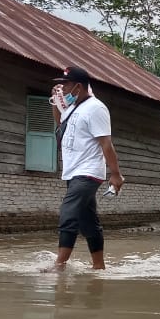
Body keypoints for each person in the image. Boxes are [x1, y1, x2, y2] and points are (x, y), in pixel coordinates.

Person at [50, 66, 125, 270]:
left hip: (88, 172)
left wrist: (116, 174)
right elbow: (59, 124)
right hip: (73, 172)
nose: (62, 88)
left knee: (68, 213)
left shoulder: (96, 108)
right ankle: (99, 266)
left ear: (78, 87)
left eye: (66, 85)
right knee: (88, 221)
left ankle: (59, 265)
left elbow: (106, 144)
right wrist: (56, 103)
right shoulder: (72, 108)